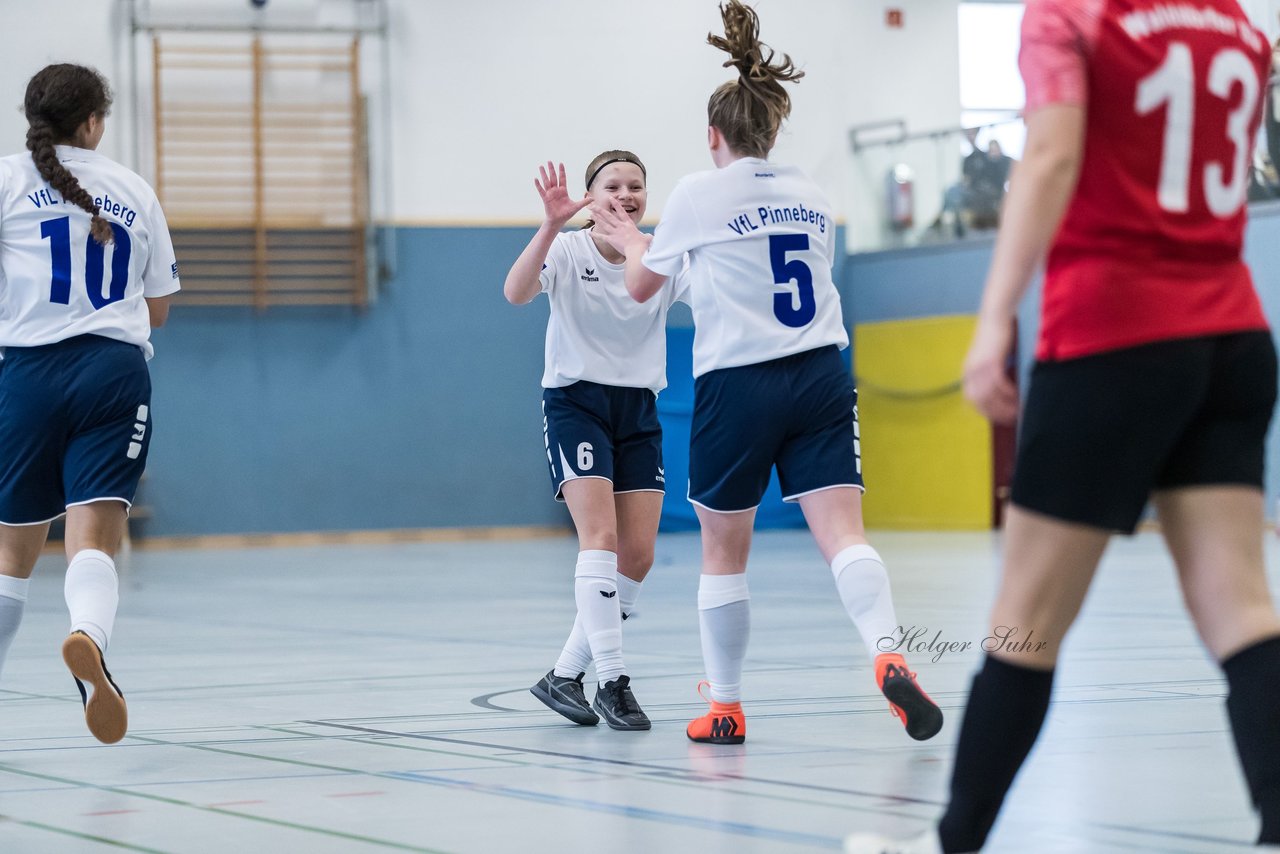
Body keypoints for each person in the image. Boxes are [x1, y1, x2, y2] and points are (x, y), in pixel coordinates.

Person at [846, 1, 1280, 851]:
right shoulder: (1235, 23)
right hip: (1232, 336)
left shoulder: (1071, 16)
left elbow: (1049, 154)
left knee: (1023, 619)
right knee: (1242, 607)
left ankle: (952, 842)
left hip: (1113, 337)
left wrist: (994, 315)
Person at [591, 0, 942, 746]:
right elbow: (739, 277)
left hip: (739, 384)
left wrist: (629, 240)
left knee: (724, 551)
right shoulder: (813, 195)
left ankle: (725, 706)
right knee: (844, 533)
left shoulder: (696, 191)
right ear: (775, 131)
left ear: (713, 136)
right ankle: (887, 652)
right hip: (820, 373)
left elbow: (643, 288)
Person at [0, 64, 180, 744]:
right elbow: (158, 309)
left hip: (26, 371)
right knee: (93, 541)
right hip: (113, 371)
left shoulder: (8, 180)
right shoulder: (132, 189)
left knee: (10, 557)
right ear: (95, 121)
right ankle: (87, 636)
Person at [503, 152, 687, 731]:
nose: (625, 194)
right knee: (601, 539)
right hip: (576, 402)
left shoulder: (656, 255)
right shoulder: (568, 249)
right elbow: (515, 292)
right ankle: (612, 679)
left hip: (637, 406)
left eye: (636, 186)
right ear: (591, 194)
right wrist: (551, 224)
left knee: (638, 554)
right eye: (613, 185)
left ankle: (563, 675)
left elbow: (710, 293)